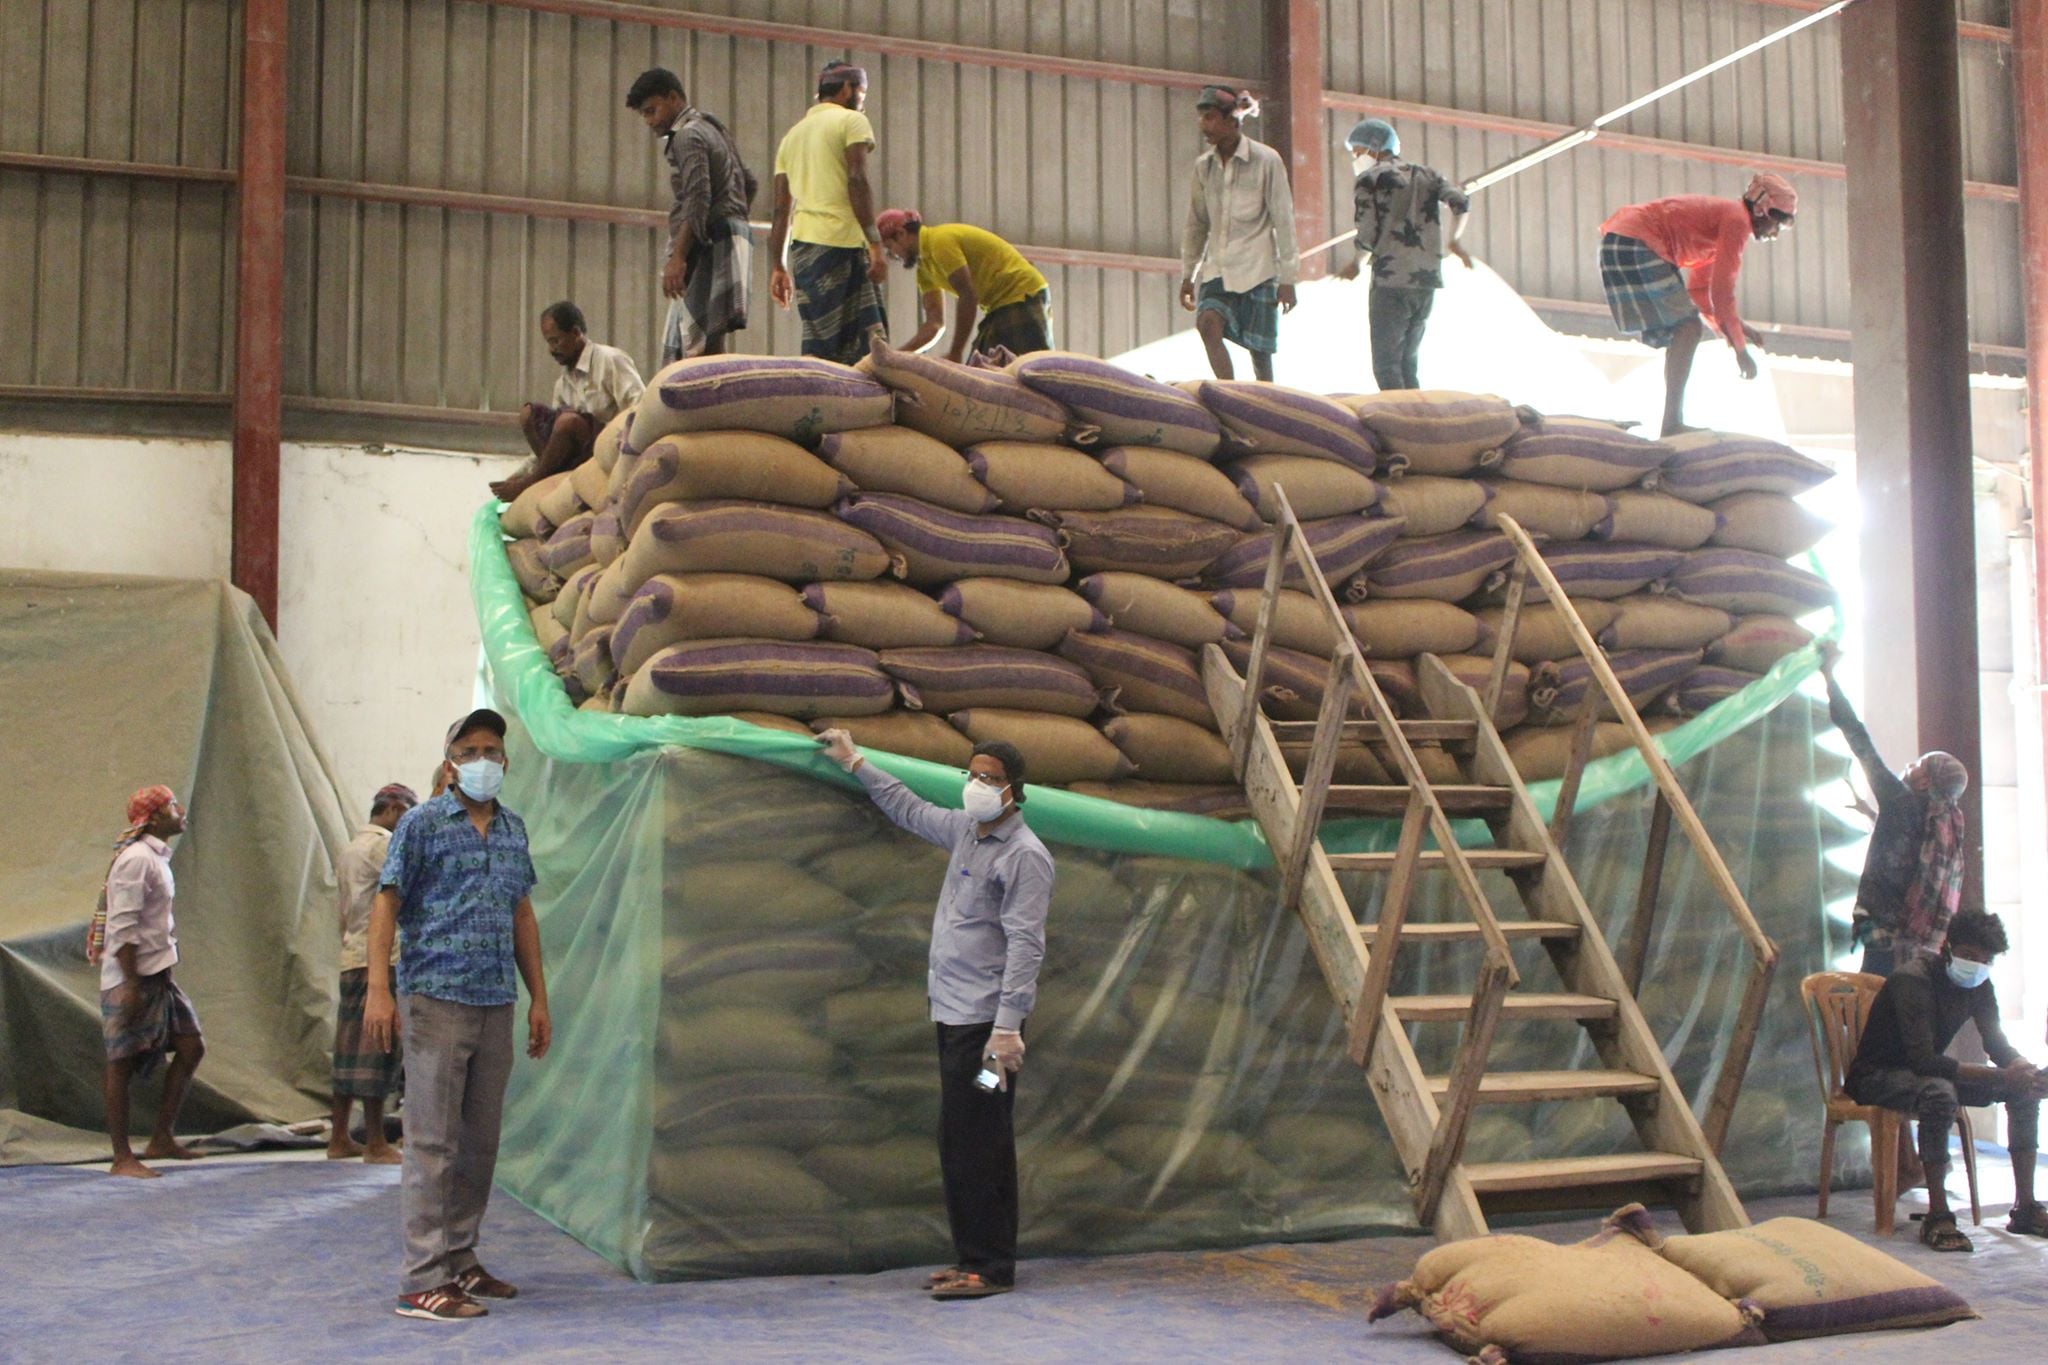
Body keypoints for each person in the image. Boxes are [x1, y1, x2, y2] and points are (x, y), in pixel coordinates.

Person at [815, 730, 1052, 1300]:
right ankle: (973, 1258)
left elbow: (1026, 945)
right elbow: (909, 808)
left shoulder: (1026, 857)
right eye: (972, 774)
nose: (977, 785)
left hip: (989, 1035)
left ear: (1015, 791)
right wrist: (856, 763)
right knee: (961, 1137)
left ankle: (992, 1268)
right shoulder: (967, 834)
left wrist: (1008, 1028)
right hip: (954, 1019)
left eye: (990, 777)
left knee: (982, 1138)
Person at [364, 709, 553, 1321]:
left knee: (479, 1144)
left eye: (492, 750)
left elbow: (522, 915)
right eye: (469, 750)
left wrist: (539, 999)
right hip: (436, 999)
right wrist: (378, 990)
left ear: (505, 761)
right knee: (432, 1143)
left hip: (495, 999)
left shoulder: (512, 830)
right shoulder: (420, 825)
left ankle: (460, 1258)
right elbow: (386, 905)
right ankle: (421, 1280)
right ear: (450, 762)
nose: (482, 760)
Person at [1845, 907, 2048, 1251]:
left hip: (1924, 1073)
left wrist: (2023, 1069)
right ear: (1947, 948)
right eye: (1969, 956)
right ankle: (1938, 1216)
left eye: (1985, 960)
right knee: (1939, 1093)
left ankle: (2025, 1208)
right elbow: (1923, 1060)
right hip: (1878, 1075)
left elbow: (1995, 1043)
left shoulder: (1979, 984)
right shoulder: (1914, 979)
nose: (1976, 966)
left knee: (2023, 1092)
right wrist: (2003, 1074)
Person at [1598, 173, 1796, 435]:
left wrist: (1737, 327)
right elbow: (1723, 293)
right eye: (1778, 225)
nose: (1775, 234)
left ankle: (1672, 422)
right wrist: (1740, 350)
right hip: (1637, 242)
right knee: (1688, 329)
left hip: (1620, 241)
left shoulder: (1724, 221)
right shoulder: (1736, 221)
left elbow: (1702, 292)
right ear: (1763, 211)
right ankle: (1671, 424)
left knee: (1686, 329)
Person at [1819, 643, 1969, 978]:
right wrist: (1871, 816)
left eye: (1919, 765)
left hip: (1884, 931)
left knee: (1875, 1005)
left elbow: (1859, 739)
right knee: (1895, 1001)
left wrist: (1828, 675)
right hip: (1913, 940)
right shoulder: (1943, 823)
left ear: (1926, 782)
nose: (1910, 766)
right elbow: (1910, 857)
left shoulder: (1899, 800)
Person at [95, 785, 205, 1178]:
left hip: (157, 973)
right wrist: (129, 984)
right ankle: (121, 1157)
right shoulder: (136, 860)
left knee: (191, 1046)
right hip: (133, 977)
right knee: (120, 1062)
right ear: (155, 817)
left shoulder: (156, 858)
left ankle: (161, 1137)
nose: (181, 810)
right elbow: (122, 927)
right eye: (173, 805)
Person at [625, 68, 757, 364]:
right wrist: (734, 222)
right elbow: (749, 183)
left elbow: (697, 198)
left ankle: (712, 405)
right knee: (712, 336)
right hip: (735, 235)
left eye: (652, 111)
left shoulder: (686, 136)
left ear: (673, 98)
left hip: (711, 238)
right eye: (644, 115)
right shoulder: (713, 126)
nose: (649, 121)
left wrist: (679, 257)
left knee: (694, 346)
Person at [1336, 118, 1471, 393]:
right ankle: (1418, 423)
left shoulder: (1369, 180)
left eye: (1357, 152)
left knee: (1386, 367)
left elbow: (1367, 231)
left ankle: (1399, 425)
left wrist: (1356, 264)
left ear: (1374, 147)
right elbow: (1460, 201)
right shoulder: (1428, 174)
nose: (1356, 159)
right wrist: (1454, 242)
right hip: (1425, 281)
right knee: (1409, 365)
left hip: (1390, 281)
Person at [767, 61, 888, 366]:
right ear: (847, 88)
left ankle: (819, 406)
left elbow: (782, 209)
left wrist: (777, 267)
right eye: (862, 93)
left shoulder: (791, 137)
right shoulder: (851, 121)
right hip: (844, 247)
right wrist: (875, 244)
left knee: (820, 346)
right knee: (867, 350)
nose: (862, 101)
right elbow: (857, 179)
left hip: (806, 254)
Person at [1179, 85, 1298, 382]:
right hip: (1218, 270)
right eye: (1202, 119)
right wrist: (1188, 274)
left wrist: (1288, 279)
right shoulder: (1203, 168)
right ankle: (1230, 397)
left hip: (1258, 270)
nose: (1204, 126)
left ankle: (1266, 404)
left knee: (1260, 354)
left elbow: (1283, 221)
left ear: (1233, 122)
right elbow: (1197, 224)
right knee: (1207, 325)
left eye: (1210, 118)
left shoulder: (1266, 161)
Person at [328, 782, 418, 1164]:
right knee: (378, 1049)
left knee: (348, 1048)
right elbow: (408, 890)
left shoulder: (351, 847)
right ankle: (377, 1141)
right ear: (395, 808)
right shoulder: (383, 846)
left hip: (352, 953)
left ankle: (338, 1136)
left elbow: (345, 910)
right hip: (381, 957)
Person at [489, 301, 647, 503]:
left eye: (556, 341)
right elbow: (555, 442)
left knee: (568, 422)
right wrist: (521, 474)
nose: (551, 349)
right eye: (548, 342)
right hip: (577, 457)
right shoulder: (563, 384)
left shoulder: (610, 361)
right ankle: (541, 480)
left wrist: (624, 454)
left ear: (575, 333)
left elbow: (638, 408)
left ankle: (531, 483)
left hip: (610, 447)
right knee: (529, 414)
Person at [876, 209, 1054, 361]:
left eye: (890, 248)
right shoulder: (924, 270)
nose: (894, 256)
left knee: (1022, 367)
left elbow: (968, 295)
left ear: (901, 233)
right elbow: (935, 324)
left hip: (1021, 294)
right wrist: (895, 357)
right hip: (998, 307)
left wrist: (956, 352)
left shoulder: (939, 241)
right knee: (984, 368)